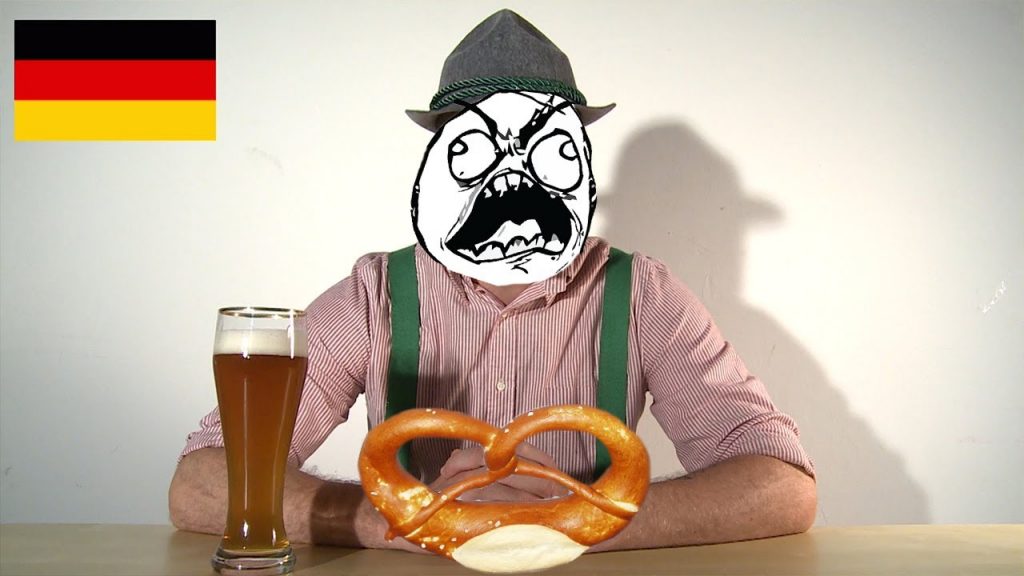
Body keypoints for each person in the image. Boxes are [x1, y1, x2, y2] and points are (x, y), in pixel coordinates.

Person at [169, 9, 816, 552]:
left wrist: (574, 520)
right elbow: (200, 484)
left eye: (544, 150)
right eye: (475, 150)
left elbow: (783, 486)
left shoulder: (642, 295)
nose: (510, 180)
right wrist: (401, 519)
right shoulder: (375, 296)